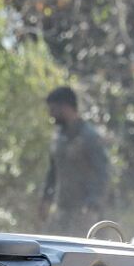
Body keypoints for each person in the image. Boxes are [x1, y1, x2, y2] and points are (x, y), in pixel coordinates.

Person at [39, 86, 111, 236]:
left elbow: (102, 174)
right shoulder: (58, 136)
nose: (51, 114)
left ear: (65, 107)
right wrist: (46, 198)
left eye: (53, 109)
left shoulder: (89, 137)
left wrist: (92, 206)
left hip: (85, 213)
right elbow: (52, 171)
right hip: (62, 210)